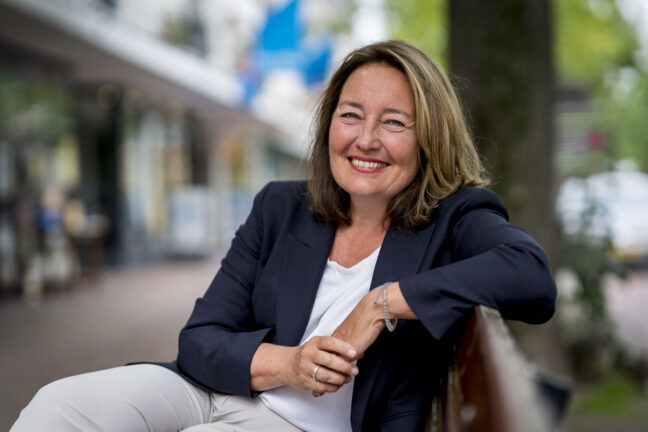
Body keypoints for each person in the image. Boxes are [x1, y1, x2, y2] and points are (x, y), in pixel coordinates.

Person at [11, 40, 556, 432]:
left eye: (394, 122)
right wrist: (291, 364)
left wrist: (380, 304)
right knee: (57, 408)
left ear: (429, 139)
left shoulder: (456, 217)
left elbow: (530, 277)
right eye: (351, 115)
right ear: (328, 128)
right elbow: (200, 339)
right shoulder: (281, 205)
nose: (366, 140)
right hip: (213, 389)